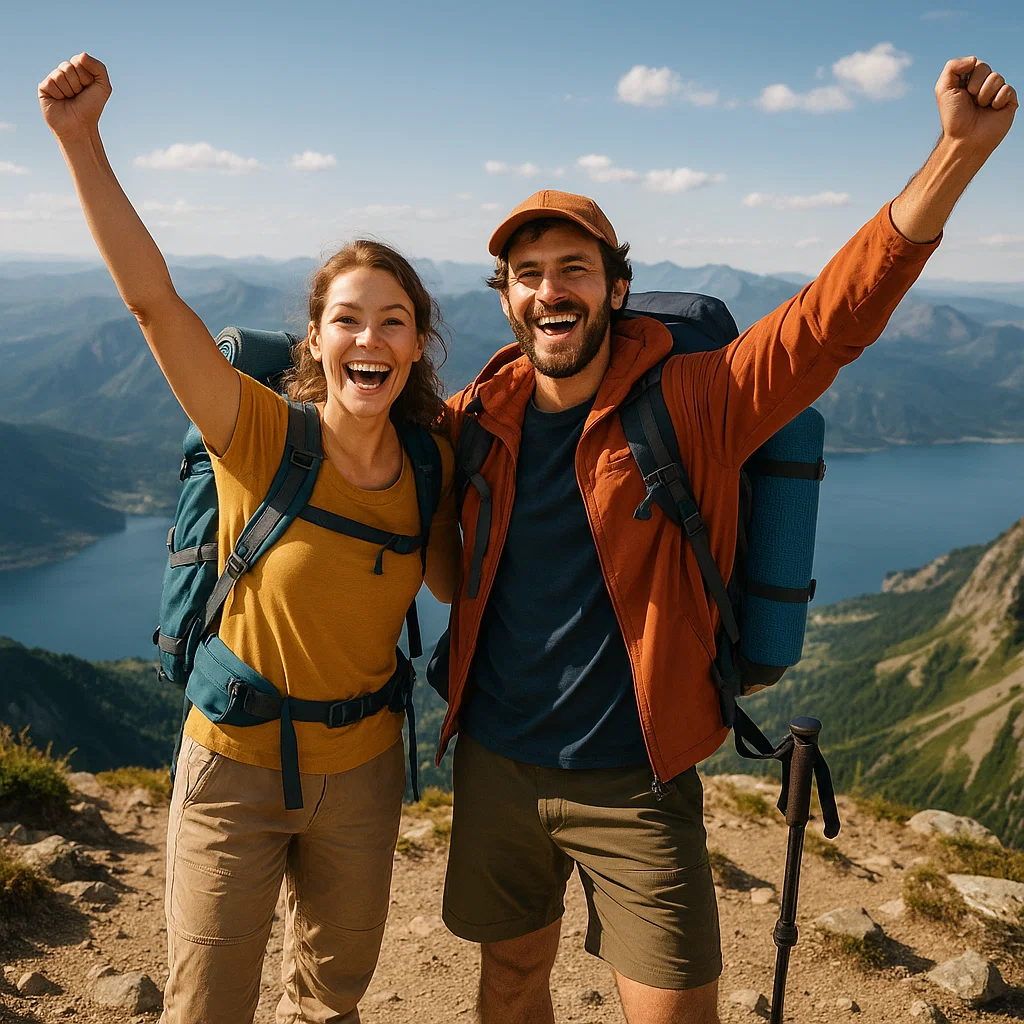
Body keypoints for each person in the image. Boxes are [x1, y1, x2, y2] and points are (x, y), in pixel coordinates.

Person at [436, 57, 1017, 1024]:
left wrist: (955, 154)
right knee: (507, 980)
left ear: (616, 287)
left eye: (574, 269)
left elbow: (832, 320)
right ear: (504, 296)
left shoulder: (695, 402)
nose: (551, 292)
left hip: (637, 775)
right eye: (529, 274)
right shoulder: (476, 416)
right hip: (495, 761)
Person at [39, 53, 460, 1024]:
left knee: (329, 1004)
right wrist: (82, 140)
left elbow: (461, 583)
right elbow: (154, 303)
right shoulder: (260, 434)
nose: (370, 338)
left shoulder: (431, 469)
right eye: (347, 318)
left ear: (416, 345)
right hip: (232, 763)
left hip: (362, 775)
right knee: (207, 1009)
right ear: (315, 340)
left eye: (392, 321)